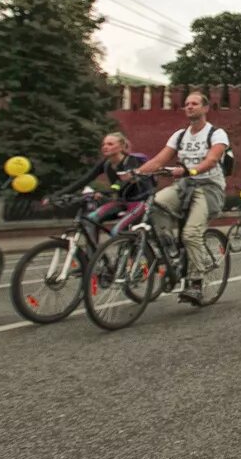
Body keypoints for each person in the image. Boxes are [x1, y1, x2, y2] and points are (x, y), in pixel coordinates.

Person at [135, 92, 231, 305]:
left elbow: (213, 159)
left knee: (190, 233)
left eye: (194, 103)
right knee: (154, 204)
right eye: (187, 104)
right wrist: (136, 173)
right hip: (184, 185)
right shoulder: (179, 136)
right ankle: (169, 246)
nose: (189, 107)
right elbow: (160, 160)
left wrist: (191, 171)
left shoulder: (216, 133)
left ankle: (196, 282)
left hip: (209, 188)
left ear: (205, 108)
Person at [59, 132, 152, 238]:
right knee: (90, 220)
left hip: (139, 203)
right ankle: (95, 254)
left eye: (110, 144)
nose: (105, 147)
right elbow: (85, 179)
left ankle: (130, 253)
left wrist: (102, 193)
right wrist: (58, 194)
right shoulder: (106, 163)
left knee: (116, 232)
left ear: (121, 147)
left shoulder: (131, 161)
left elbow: (122, 184)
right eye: (104, 144)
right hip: (121, 202)